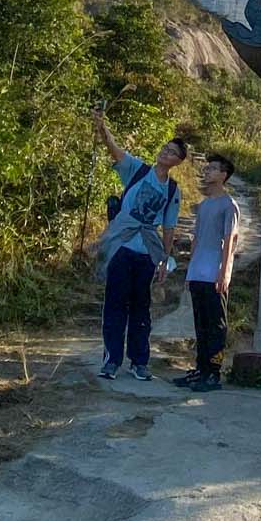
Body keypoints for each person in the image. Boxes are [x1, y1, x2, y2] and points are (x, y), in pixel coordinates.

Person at [90, 107, 185, 381]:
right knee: (115, 305)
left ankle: (139, 362)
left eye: (171, 153)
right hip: (121, 245)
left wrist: (165, 260)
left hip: (147, 250)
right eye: (165, 148)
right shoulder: (137, 169)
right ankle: (111, 361)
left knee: (141, 308)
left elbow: (168, 227)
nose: (165, 153)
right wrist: (102, 126)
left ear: (177, 162)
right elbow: (114, 150)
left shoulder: (172, 190)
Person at [173, 152, 240, 391]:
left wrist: (224, 272)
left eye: (213, 168)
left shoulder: (228, 205)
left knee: (216, 325)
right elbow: (196, 239)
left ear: (223, 175)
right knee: (200, 324)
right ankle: (200, 369)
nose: (208, 171)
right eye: (208, 168)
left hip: (214, 273)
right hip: (198, 272)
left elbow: (230, 240)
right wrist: (190, 269)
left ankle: (213, 372)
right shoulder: (204, 205)